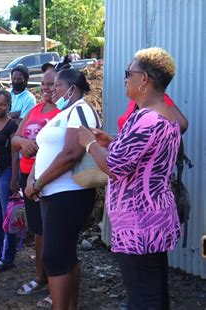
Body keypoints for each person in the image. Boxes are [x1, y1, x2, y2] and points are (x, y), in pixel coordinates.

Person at [78, 47, 181, 309]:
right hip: (154, 217)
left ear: (144, 79)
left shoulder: (145, 119)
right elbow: (144, 157)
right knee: (155, 291)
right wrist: (111, 141)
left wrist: (90, 144)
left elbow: (114, 166)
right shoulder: (164, 115)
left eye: (129, 73)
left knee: (143, 298)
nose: (126, 79)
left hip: (139, 224)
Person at [25, 68, 98, 309]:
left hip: (69, 194)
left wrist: (39, 182)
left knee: (54, 256)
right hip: (53, 194)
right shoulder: (63, 113)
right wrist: (32, 180)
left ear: (72, 88)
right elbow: (44, 151)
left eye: (56, 86)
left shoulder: (80, 110)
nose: (51, 90)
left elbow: (71, 154)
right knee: (64, 255)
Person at [11, 69, 60, 306]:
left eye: (52, 84)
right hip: (27, 177)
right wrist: (24, 142)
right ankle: (41, 277)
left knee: (54, 232)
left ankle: (56, 284)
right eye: (44, 83)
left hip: (49, 178)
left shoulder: (64, 113)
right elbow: (15, 139)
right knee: (38, 230)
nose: (47, 88)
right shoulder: (34, 110)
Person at [0, 90, 19, 271]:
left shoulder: (11, 126)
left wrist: (14, 178)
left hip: (5, 173)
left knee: (7, 215)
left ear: (9, 106)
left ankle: (8, 257)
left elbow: (15, 153)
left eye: (3, 104)